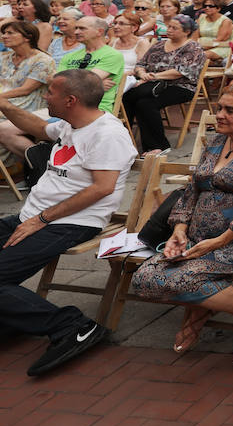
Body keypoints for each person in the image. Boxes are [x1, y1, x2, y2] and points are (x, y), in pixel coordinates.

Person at [128, 82, 233, 365]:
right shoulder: (216, 142)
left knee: (180, 277)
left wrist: (221, 239)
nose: (220, 115)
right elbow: (192, 190)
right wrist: (179, 230)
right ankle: (202, 306)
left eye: (230, 110)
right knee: (144, 280)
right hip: (197, 239)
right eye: (219, 108)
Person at [0, 70, 135, 375]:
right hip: (33, 216)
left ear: (70, 100)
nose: (45, 97)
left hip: (71, 222)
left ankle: (74, 326)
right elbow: (37, 126)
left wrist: (42, 219)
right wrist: (5, 106)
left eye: (50, 92)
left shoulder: (107, 134)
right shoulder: (71, 124)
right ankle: (11, 318)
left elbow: (102, 187)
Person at [122, 15, 206, 154]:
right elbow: (141, 63)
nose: (169, 30)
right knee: (127, 97)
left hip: (180, 86)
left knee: (145, 104)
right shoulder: (159, 45)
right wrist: (142, 73)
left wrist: (154, 76)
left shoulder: (193, 48)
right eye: (169, 27)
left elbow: (182, 71)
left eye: (174, 28)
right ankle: (124, 140)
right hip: (151, 83)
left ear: (186, 31)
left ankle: (158, 146)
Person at [0, 20, 57, 162]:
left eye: (10, 33)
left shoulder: (43, 60)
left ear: (28, 37)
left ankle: (33, 166)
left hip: (27, 104)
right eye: (4, 33)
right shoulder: (4, 57)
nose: (4, 36)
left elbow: (26, 90)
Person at [57, 17, 126, 113]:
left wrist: (90, 84)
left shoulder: (112, 55)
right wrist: (97, 85)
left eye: (82, 28)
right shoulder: (69, 56)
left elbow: (87, 81)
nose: (76, 32)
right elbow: (58, 82)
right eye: (76, 28)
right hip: (65, 106)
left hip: (94, 109)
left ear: (100, 32)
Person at [109, 12, 151, 90]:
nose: (116, 27)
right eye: (115, 23)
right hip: (110, 77)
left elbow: (143, 67)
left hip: (130, 80)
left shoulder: (142, 43)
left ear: (134, 28)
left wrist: (122, 75)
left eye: (121, 24)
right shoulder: (113, 42)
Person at [196, 0, 233, 65]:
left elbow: (220, 40)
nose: (207, 8)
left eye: (211, 6)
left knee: (200, 55)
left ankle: (213, 64)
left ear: (218, 8)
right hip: (200, 46)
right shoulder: (201, 17)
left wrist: (202, 47)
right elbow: (195, 36)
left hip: (220, 47)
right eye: (205, 6)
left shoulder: (225, 21)